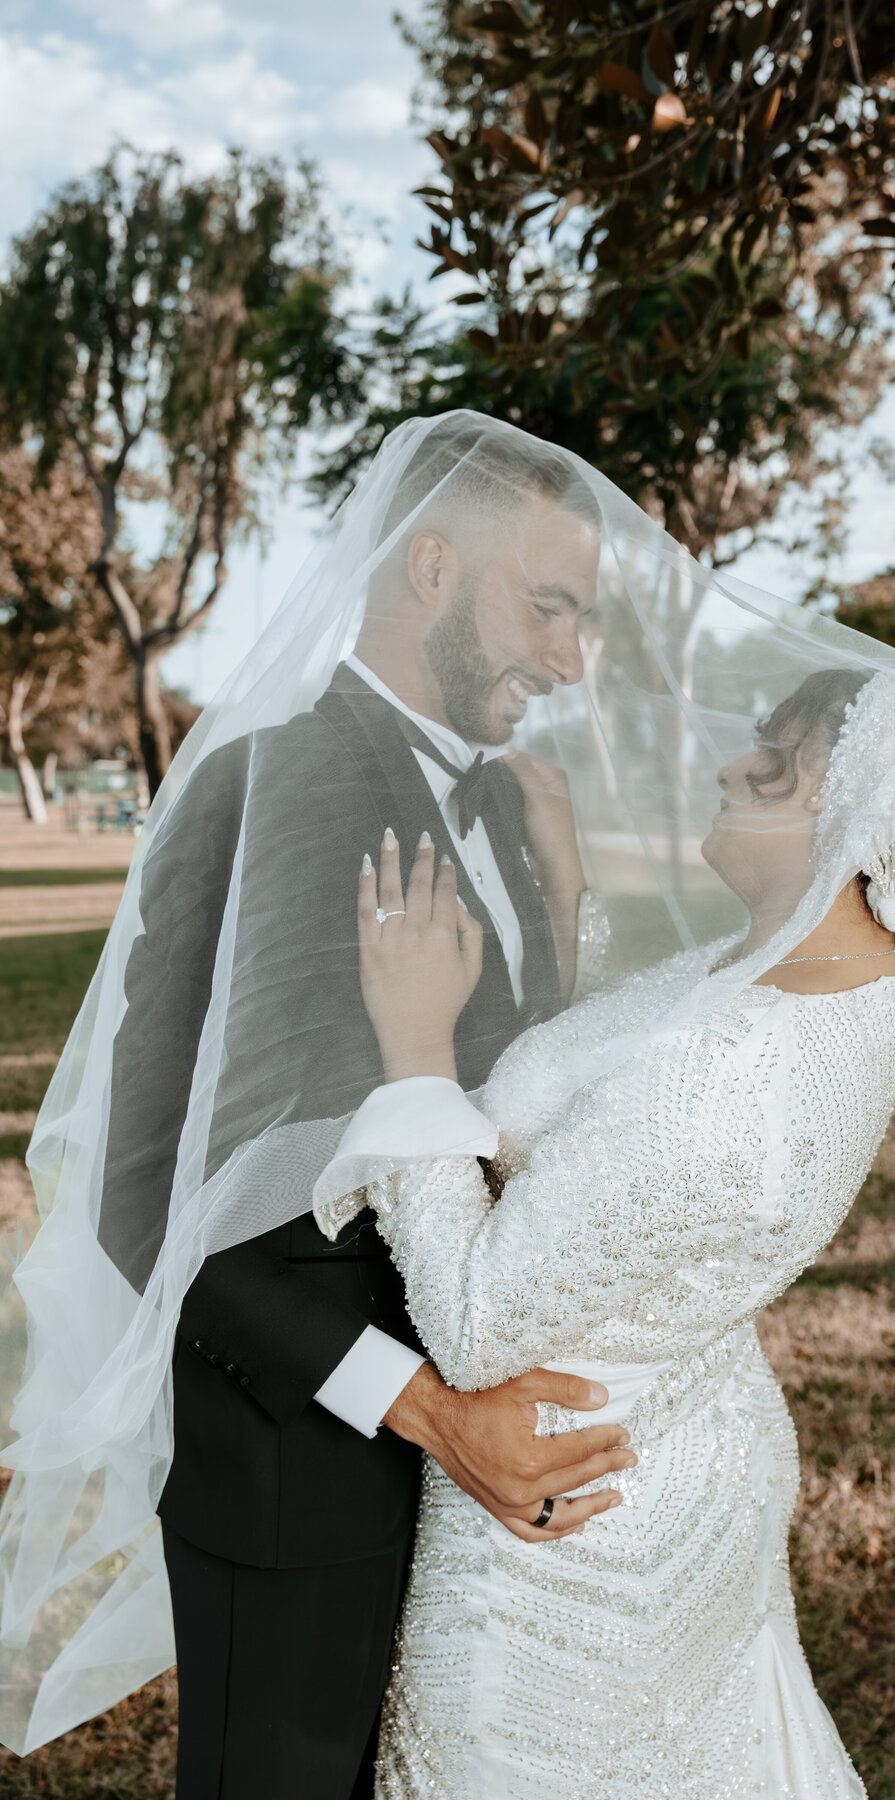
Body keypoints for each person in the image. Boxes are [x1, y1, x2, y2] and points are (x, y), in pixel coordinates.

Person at [0, 419, 634, 1783]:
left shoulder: (516, 806)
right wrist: (425, 1413)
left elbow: (527, 1105)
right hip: (306, 1482)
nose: (570, 660)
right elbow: (141, 1188)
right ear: (429, 570)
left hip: (487, 1480)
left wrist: (568, 898)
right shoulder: (260, 785)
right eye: (550, 608)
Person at [314, 666, 895, 1797]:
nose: (727, 769)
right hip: (690, 1453)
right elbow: (617, 1082)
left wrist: (413, 1054)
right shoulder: (826, 972)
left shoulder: (727, 1090)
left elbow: (477, 1322)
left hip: (564, 1529)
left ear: (851, 821)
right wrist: (562, 890)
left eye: (776, 767)